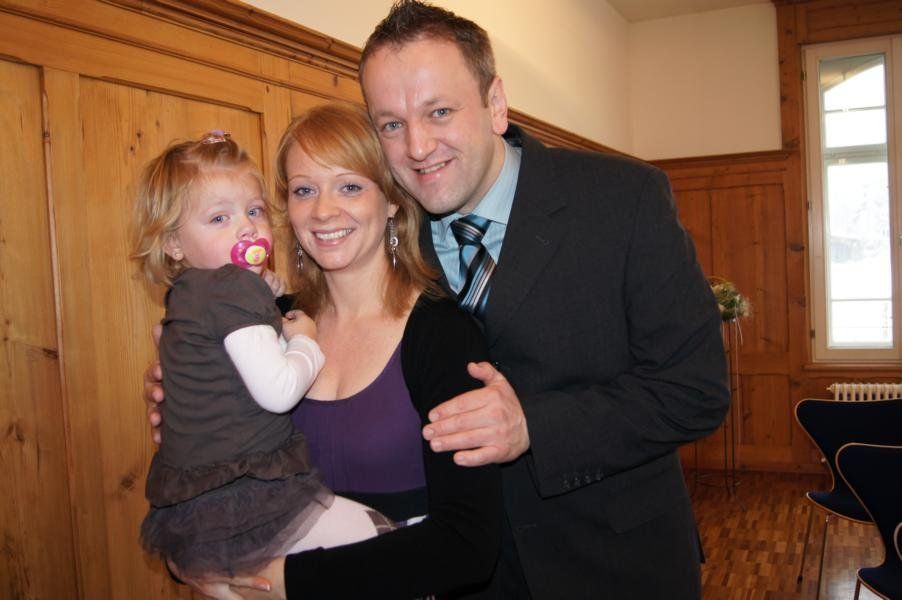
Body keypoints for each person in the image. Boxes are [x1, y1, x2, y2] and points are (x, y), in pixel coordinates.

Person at [353, 1, 731, 598]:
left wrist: (535, 426)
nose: (417, 146)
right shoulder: (383, 234)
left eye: (440, 111)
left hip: (617, 568)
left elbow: (695, 389)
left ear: (495, 103)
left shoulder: (623, 200)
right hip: (464, 576)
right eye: (391, 125)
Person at [145, 104, 502, 599]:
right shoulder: (261, 324)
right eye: (304, 190)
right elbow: (205, 486)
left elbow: (467, 544)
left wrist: (289, 582)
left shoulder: (443, 335)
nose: (323, 211)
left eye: (350, 186)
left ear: (392, 200)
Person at [131, 131, 393, 582]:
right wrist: (306, 341)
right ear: (173, 243)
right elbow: (277, 391)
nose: (247, 229)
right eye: (219, 218)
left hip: (196, 500)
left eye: (254, 211)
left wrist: (263, 296)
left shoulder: (189, 295)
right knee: (380, 535)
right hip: (248, 493)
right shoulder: (232, 291)